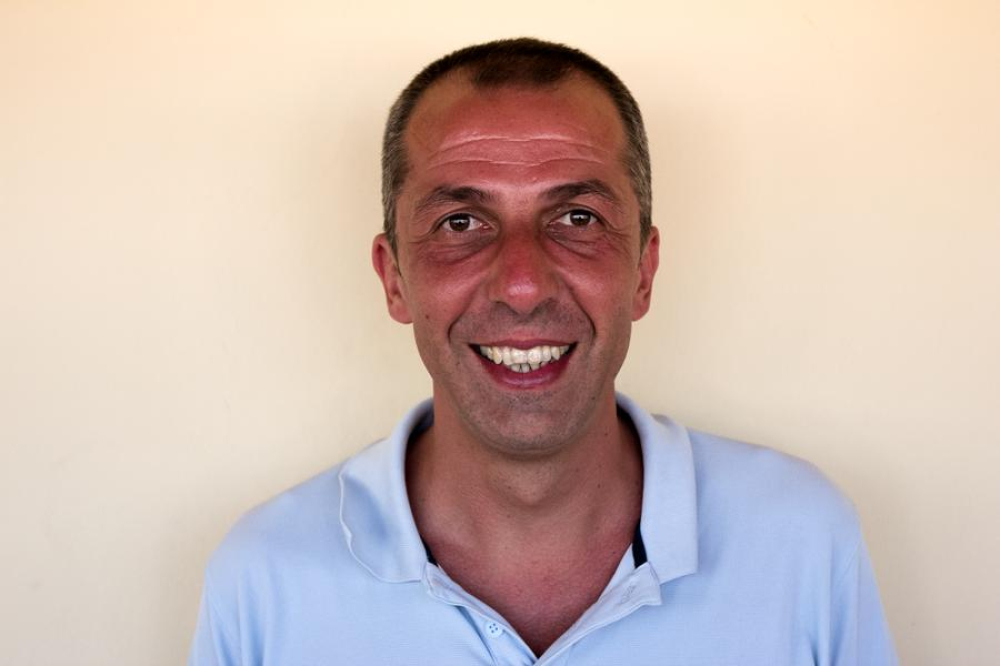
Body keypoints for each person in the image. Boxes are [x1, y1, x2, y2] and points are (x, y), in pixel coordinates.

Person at [189, 38, 897, 665]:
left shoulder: (802, 541)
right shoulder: (265, 579)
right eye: (460, 222)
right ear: (394, 277)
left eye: (577, 218)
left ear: (643, 272)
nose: (523, 285)